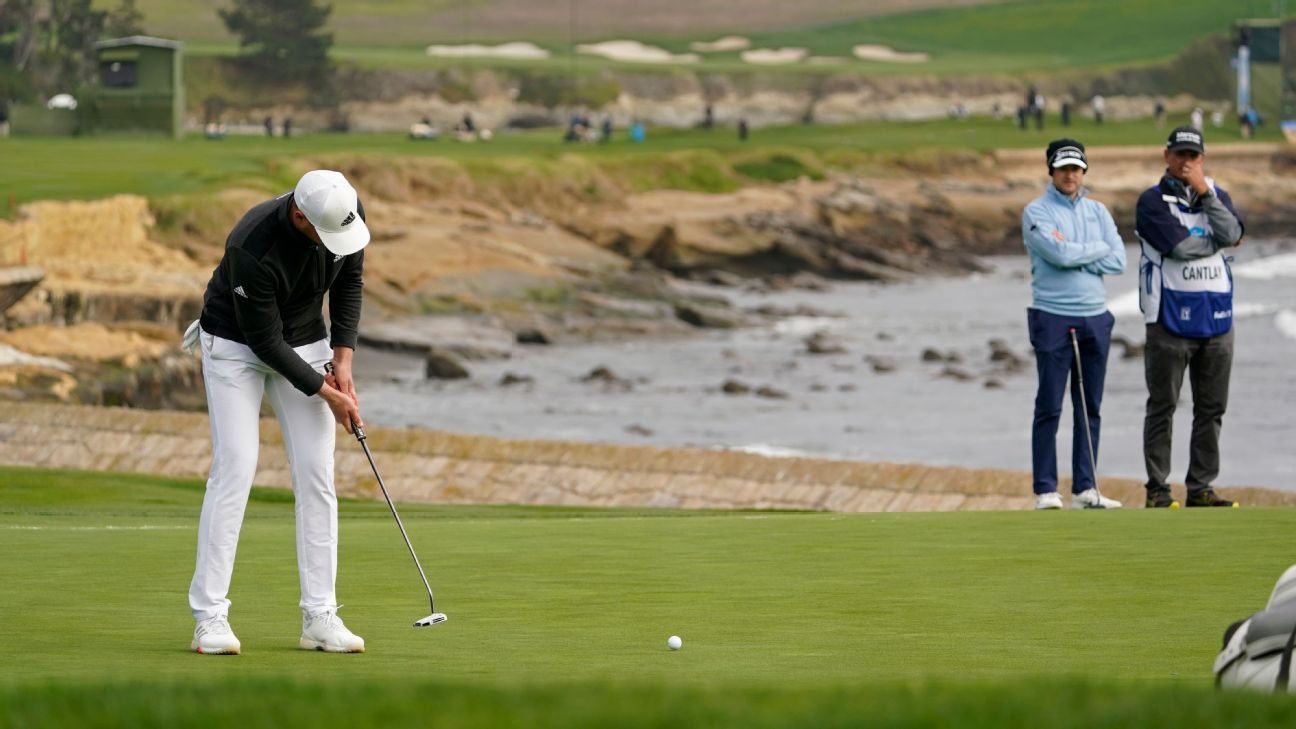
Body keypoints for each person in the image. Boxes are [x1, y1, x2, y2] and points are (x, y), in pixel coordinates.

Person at [185, 170, 370, 654]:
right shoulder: (252, 243)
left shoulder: (344, 209)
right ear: (299, 215)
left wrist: (343, 359)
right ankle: (210, 618)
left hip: (308, 339)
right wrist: (327, 394)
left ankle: (320, 616)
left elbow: (350, 283)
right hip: (234, 345)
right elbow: (265, 342)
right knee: (237, 467)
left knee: (316, 473)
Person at [1134, 127, 1245, 508]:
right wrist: (1216, 240)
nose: (1186, 162)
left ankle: (1200, 487)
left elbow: (1231, 230)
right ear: (1166, 156)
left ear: (1203, 159)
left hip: (1217, 316)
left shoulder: (1217, 194)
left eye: (1193, 156)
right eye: (1180, 155)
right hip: (1168, 316)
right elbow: (1180, 247)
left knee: (1212, 407)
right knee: (1163, 404)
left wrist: (1206, 194)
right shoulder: (1151, 201)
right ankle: (1157, 488)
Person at [1021, 139, 1126, 510]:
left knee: (1089, 405)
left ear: (1084, 171)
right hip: (1052, 316)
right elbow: (1059, 255)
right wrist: (1092, 249)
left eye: (1076, 168)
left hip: (1096, 316)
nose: (1070, 175)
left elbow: (1119, 260)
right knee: (1049, 404)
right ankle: (1046, 490)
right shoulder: (1036, 211)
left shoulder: (1098, 211)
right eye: (1064, 168)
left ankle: (1086, 487)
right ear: (1051, 170)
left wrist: (1079, 251)